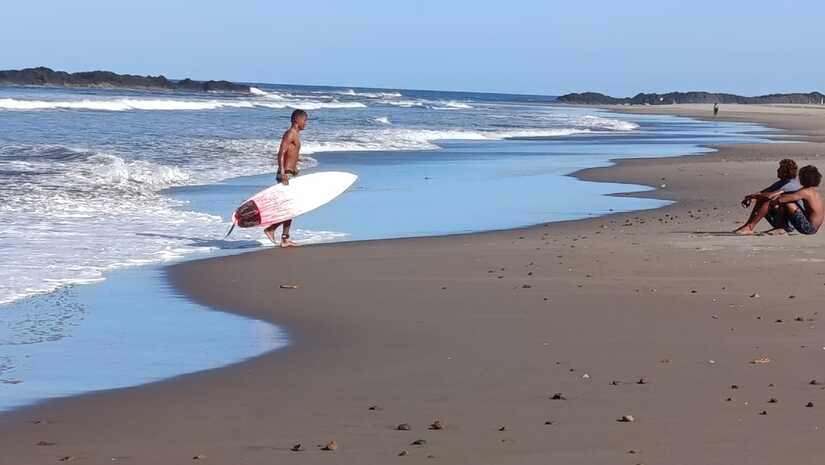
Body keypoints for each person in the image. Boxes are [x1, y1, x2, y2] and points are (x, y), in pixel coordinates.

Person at [263, 109, 308, 247]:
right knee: (289, 207)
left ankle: (285, 238)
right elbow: (281, 153)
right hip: (285, 174)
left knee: (290, 208)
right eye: (304, 120)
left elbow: (291, 154)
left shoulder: (296, 135)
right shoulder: (290, 133)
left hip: (290, 173)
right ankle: (271, 229)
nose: (306, 123)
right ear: (296, 120)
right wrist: (283, 171)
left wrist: (295, 168)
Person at [734, 159, 801, 235]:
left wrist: (753, 196)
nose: (778, 170)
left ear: (786, 172)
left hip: (792, 221)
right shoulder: (782, 182)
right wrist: (751, 199)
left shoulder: (791, 184)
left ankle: (750, 227)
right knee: (763, 197)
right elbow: (763, 192)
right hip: (782, 216)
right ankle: (747, 226)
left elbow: (769, 196)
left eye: (780, 168)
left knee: (766, 199)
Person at [770, 165, 823, 235]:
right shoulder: (815, 191)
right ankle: (783, 227)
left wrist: (773, 198)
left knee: (787, 203)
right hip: (813, 228)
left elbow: (781, 199)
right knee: (789, 200)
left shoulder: (805, 192)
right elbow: (793, 194)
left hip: (809, 228)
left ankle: (782, 227)